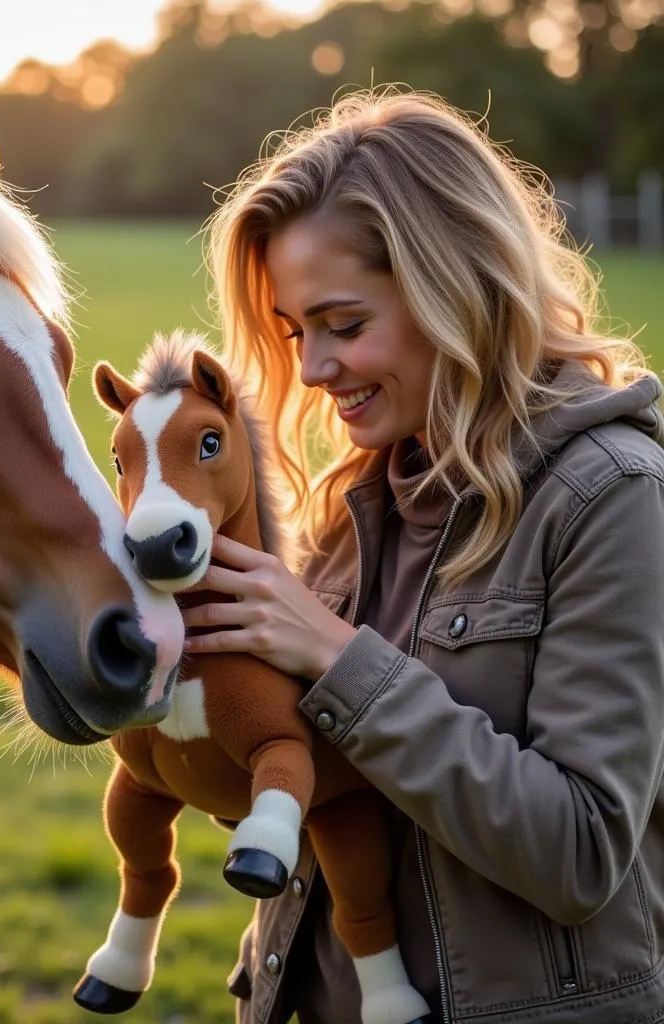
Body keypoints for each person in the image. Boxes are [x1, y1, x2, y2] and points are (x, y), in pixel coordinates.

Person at [182, 87, 664, 1024]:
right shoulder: (350, 504)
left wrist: (334, 658)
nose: (314, 371)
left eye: (344, 324)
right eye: (294, 332)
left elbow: (580, 854)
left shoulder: (612, 496)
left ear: (456, 286)